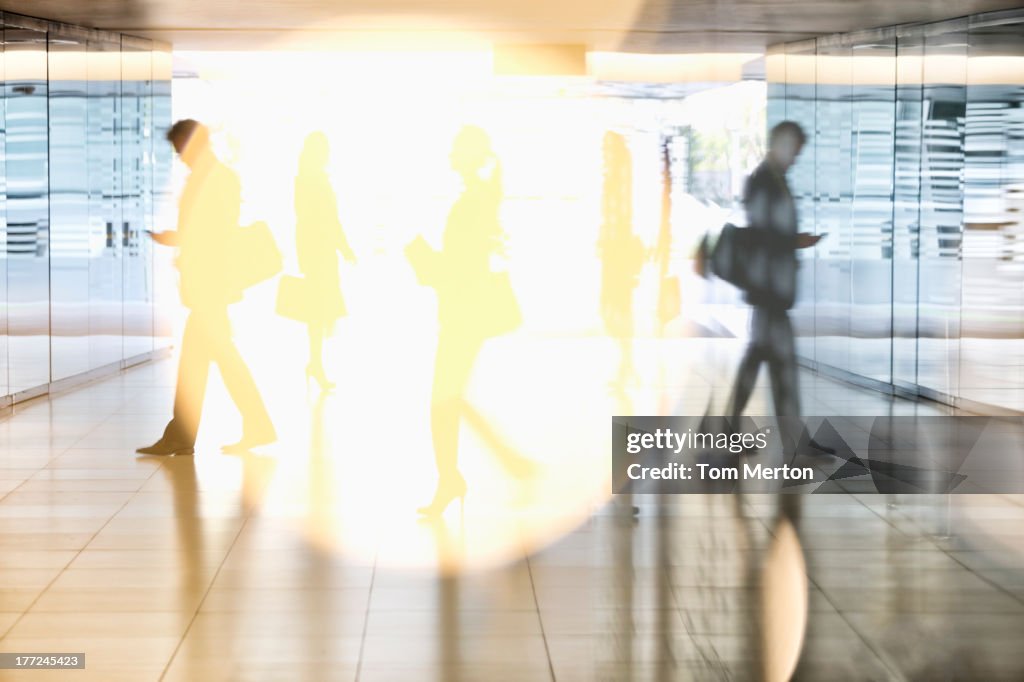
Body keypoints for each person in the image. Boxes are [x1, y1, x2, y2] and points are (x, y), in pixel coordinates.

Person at [406, 125, 529, 517]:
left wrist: (422, 259)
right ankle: (485, 467)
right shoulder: (477, 198)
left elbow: (459, 266)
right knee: (449, 396)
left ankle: (452, 479)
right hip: (464, 311)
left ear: (467, 156)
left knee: (443, 399)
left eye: (456, 148)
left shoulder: (472, 203)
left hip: (462, 313)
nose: (450, 155)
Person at [137, 119, 276, 456]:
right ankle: (198, 434)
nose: (179, 157)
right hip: (206, 284)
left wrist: (179, 240)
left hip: (211, 285)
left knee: (212, 360)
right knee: (205, 361)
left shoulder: (220, 178)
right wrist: (176, 239)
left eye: (180, 149)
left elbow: (215, 232)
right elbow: (202, 229)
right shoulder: (206, 177)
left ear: (193, 144)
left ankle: (192, 435)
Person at [727, 121, 822, 431]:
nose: (796, 157)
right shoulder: (763, 180)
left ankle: (729, 428)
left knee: (761, 360)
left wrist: (794, 239)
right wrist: (795, 241)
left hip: (771, 289)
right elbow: (763, 234)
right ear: (782, 144)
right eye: (794, 150)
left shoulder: (774, 178)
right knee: (779, 366)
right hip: (769, 289)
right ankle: (794, 441)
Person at [293, 132, 356, 391]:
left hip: (312, 251)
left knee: (317, 312)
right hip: (321, 252)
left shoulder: (304, 180)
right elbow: (329, 219)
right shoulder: (316, 181)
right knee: (320, 310)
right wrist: (345, 248)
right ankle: (316, 365)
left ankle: (315, 363)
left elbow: (307, 218)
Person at [597, 131, 646, 388]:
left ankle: (626, 366)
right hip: (612, 250)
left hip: (618, 252)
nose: (603, 153)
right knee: (613, 308)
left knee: (614, 308)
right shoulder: (613, 179)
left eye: (607, 148)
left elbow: (621, 217)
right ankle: (627, 365)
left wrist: (609, 240)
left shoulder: (619, 180)